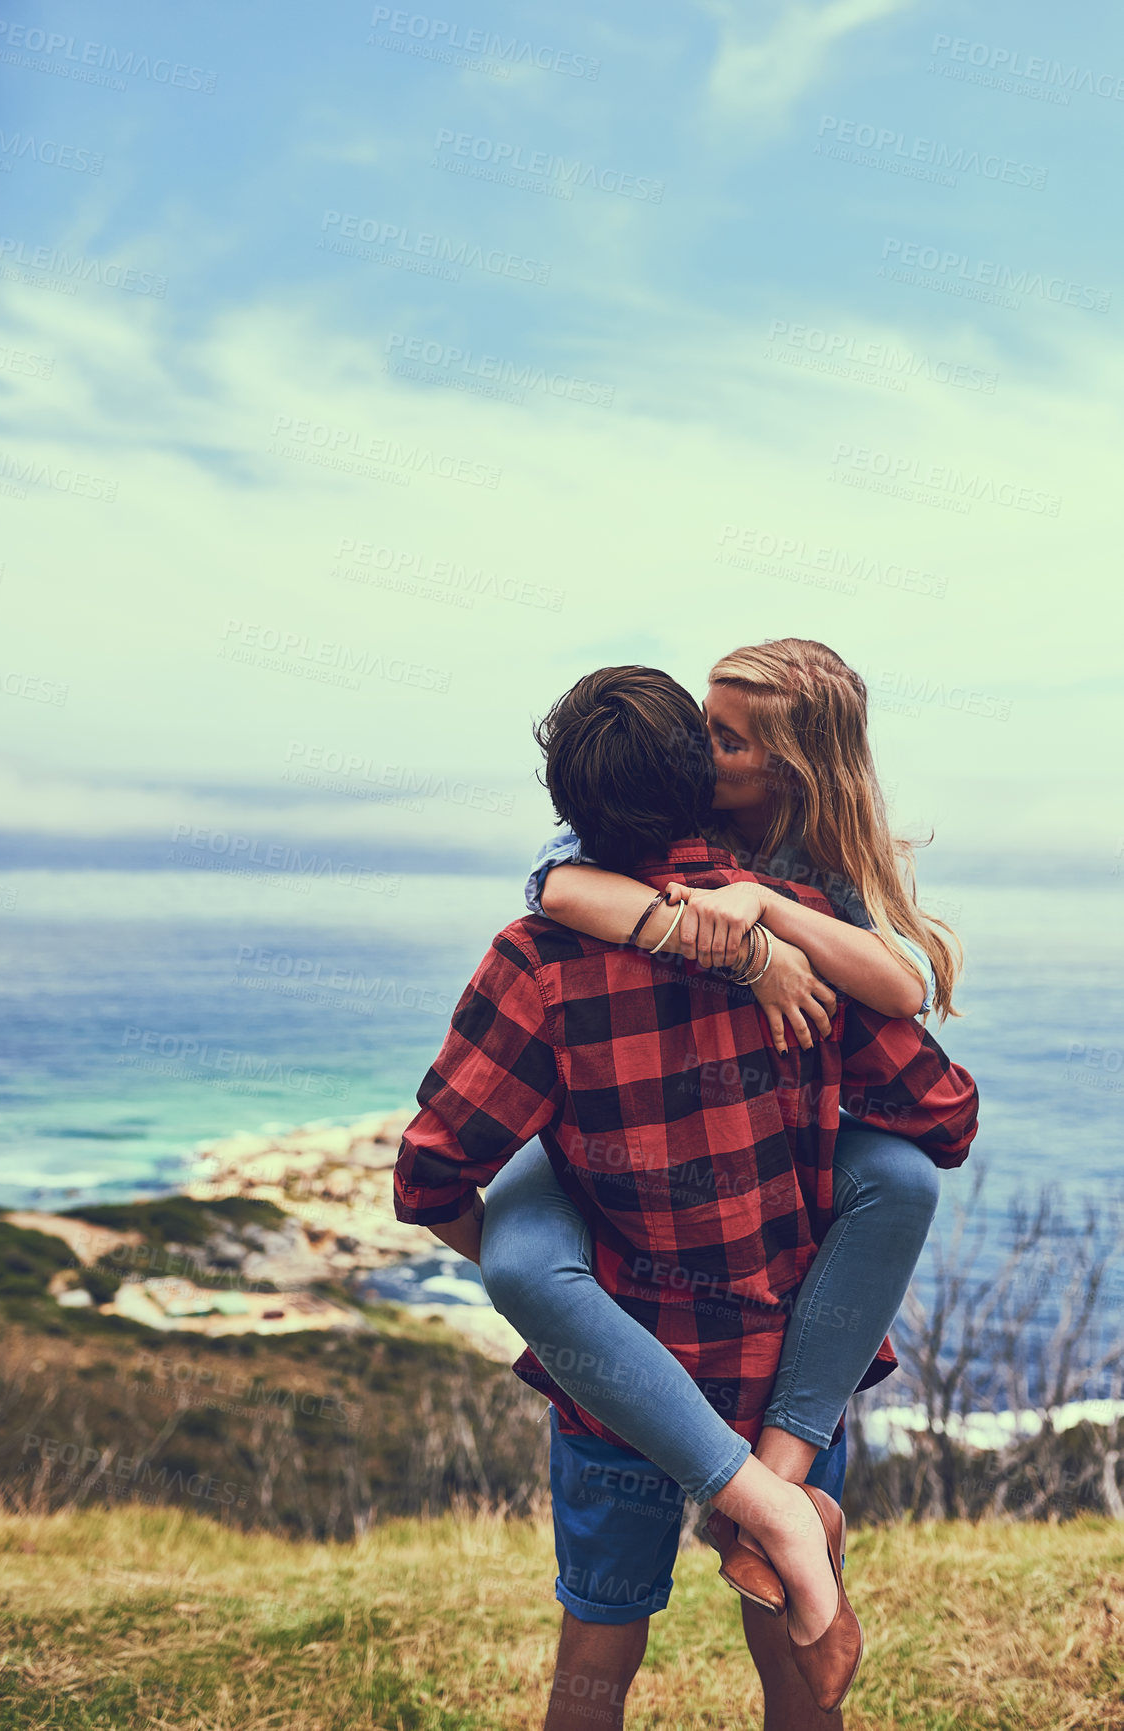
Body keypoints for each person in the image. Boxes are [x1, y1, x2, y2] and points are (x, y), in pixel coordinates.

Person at [393, 665, 978, 1726]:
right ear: (695, 783)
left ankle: (762, 1510)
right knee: (798, 1664)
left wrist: (551, 1265)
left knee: (596, 1655)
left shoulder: (538, 963)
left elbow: (431, 1173)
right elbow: (942, 1121)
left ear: (570, 803)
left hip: (616, 1393)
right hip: (779, 1365)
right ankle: (779, 1507)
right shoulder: (800, 932)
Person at [478, 638, 960, 1580]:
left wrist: (764, 908)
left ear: (790, 768)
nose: (700, 749)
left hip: (761, 1106)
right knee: (520, 1258)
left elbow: (899, 989)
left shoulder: (810, 857)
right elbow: (558, 885)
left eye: (725, 740)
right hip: (627, 1111)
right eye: (704, 724)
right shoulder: (660, 805)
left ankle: (777, 1472)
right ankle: (752, 1497)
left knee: (900, 1177)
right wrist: (736, 953)